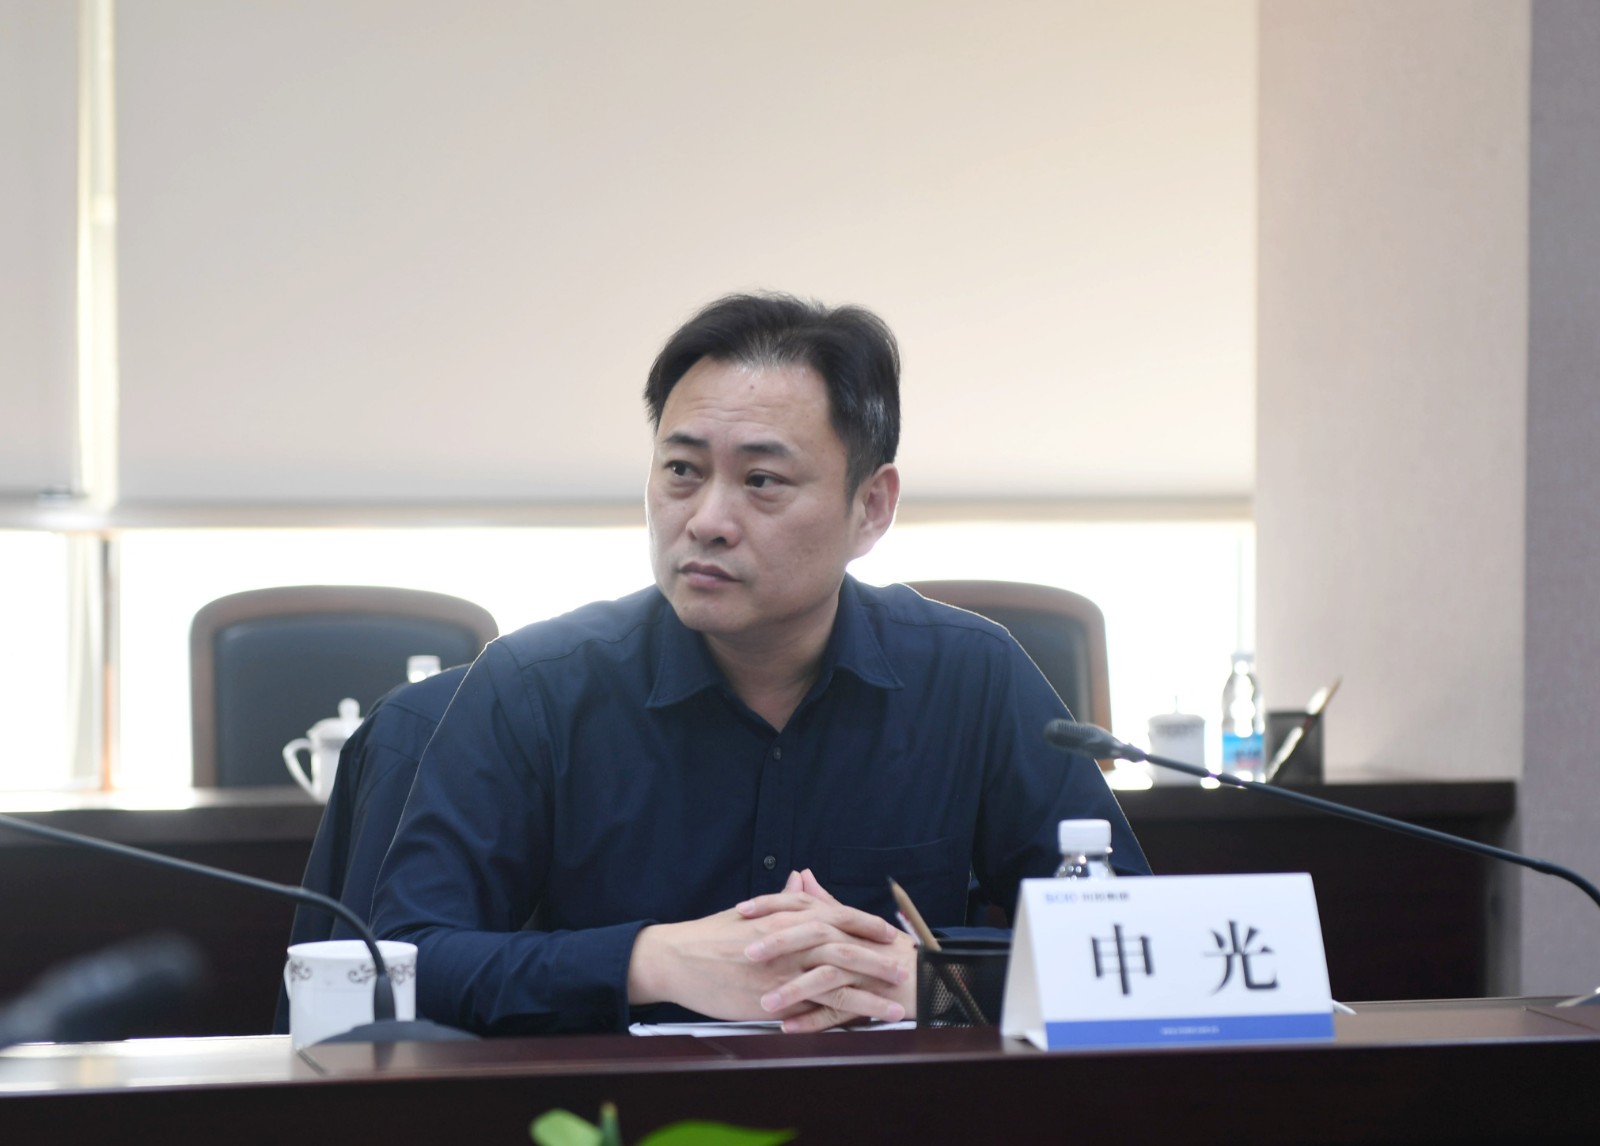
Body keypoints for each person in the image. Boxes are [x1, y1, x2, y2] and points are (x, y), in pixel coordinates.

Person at [370, 292, 1148, 1036]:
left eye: (762, 481)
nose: (707, 521)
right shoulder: (534, 686)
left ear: (871, 507)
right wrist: (650, 960)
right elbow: (400, 964)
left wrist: (934, 981)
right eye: (682, 471)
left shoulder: (971, 676)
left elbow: (1138, 948)